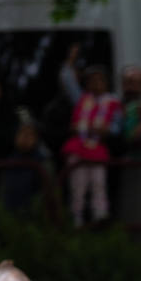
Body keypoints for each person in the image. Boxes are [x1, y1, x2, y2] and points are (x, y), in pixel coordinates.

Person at [60, 64, 121, 227]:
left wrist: (106, 130)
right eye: (92, 80)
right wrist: (71, 60)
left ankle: (99, 217)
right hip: (78, 148)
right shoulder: (82, 99)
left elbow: (117, 127)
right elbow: (67, 80)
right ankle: (76, 219)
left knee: (98, 184)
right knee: (78, 186)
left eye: (100, 80)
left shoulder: (113, 102)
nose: (96, 84)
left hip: (97, 150)